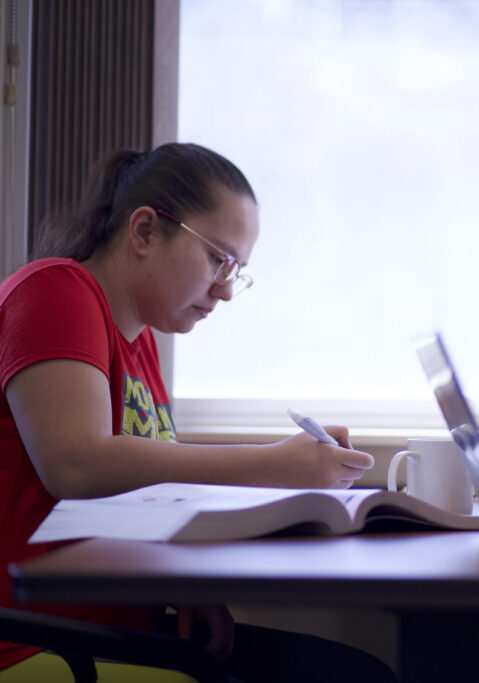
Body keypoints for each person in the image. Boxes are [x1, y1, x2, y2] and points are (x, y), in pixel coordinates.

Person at [0, 143, 396, 681]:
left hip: (121, 631)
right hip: (39, 643)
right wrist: (275, 465)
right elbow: (76, 465)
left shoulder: (140, 345)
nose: (227, 290)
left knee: (356, 671)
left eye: (237, 270)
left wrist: (181, 589)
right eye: (218, 258)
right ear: (144, 232)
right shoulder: (54, 291)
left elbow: (137, 494)